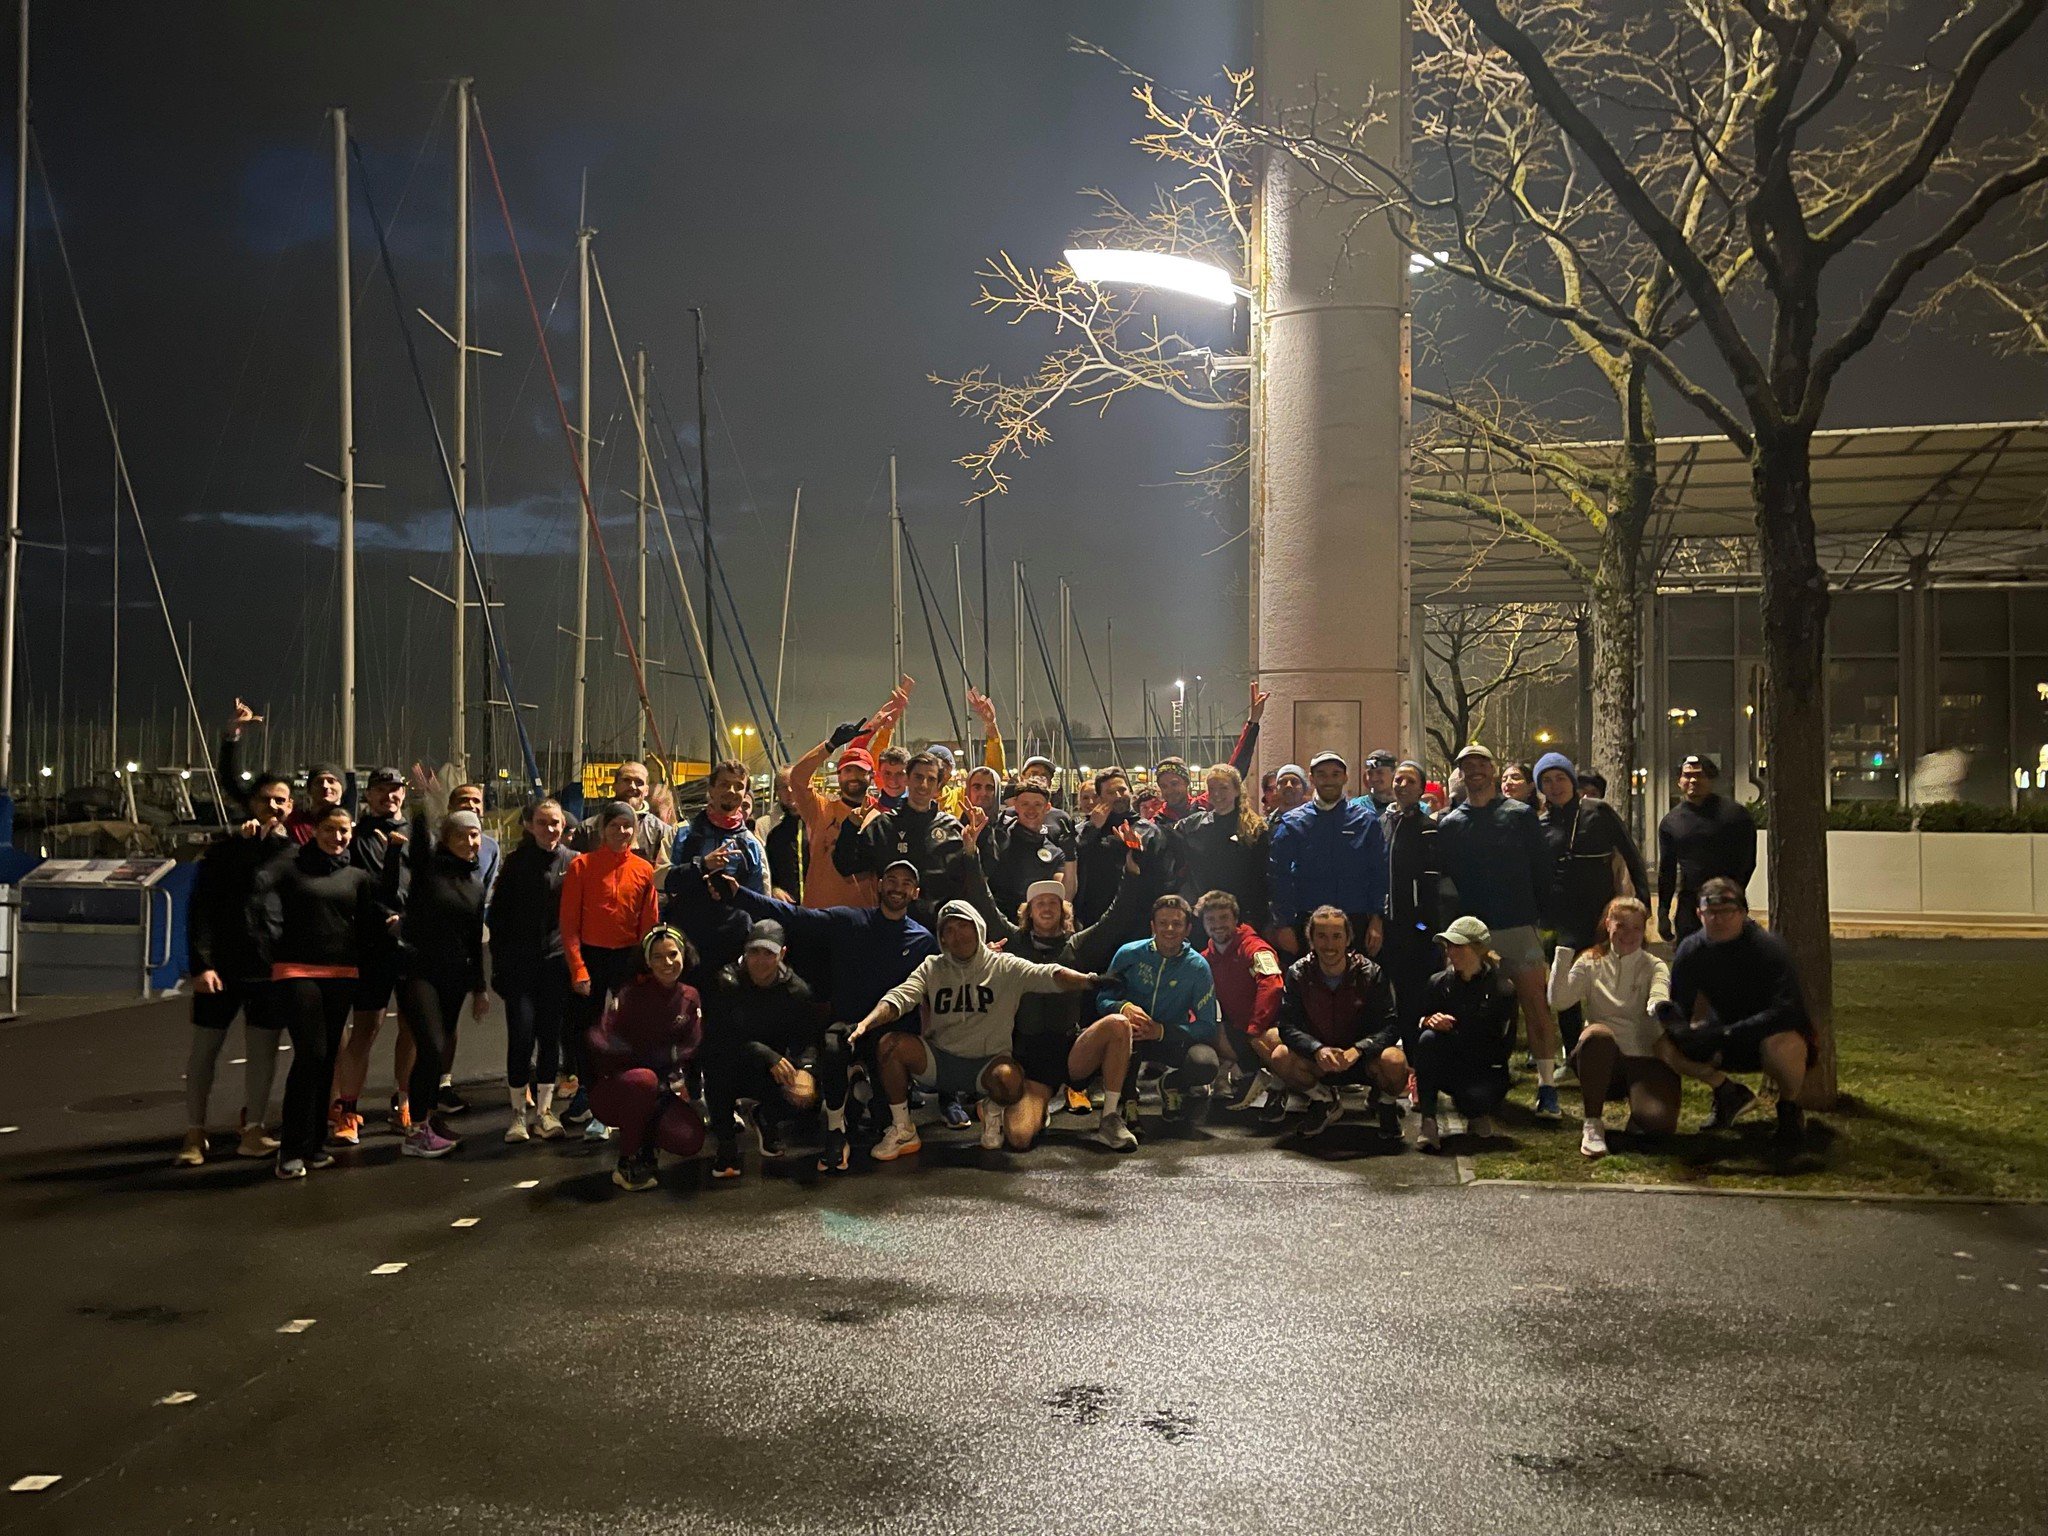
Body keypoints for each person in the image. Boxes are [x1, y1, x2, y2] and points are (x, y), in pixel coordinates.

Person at [715, 860, 937, 1173]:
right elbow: (795, 916)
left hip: (890, 1034)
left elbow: (950, 970)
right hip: (847, 1026)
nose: (897, 887)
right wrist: (740, 895)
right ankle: (835, 1131)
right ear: (879, 885)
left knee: (882, 1114)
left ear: (915, 892)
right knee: (833, 1047)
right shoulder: (850, 920)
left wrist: (986, 954)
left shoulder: (924, 940)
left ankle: (865, 1093)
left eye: (906, 883)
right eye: (891, 879)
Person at [956, 805, 1154, 1149]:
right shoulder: (1015, 943)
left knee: (1118, 1025)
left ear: (1063, 912)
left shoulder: (1076, 945)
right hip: (1029, 1057)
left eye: (1053, 903)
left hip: (1072, 1049)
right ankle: (1038, 1104)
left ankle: (1109, 1118)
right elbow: (982, 901)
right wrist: (971, 852)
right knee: (1018, 1139)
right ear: (1028, 912)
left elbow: (1117, 917)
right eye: (1039, 903)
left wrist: (1132, 871)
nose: (1047, 907)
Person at [843, 899, 1100, 1161]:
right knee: (890, 1045)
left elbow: (1049, 975)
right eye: (949, 930)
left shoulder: (1004, 966)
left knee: (1010, 1080)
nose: (958, 936)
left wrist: (1090, 980)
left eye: (963, 927)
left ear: (978, 927)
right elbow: (901, 996)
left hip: (985, 1066)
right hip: (939, 1062)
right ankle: (903, 1129)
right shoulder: (933, 967)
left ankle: (992, 1108)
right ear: (942, 938)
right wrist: (868, 1022)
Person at [251, 805, 402, 1178]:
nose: (338, 838)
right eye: (330, 830)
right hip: (297, 971)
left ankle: (315, 1145)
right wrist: (270, 945)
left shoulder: (356, 877)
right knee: (311, 1055)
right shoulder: (290, 866)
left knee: (328, 1055)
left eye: (345, 831)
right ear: (314, 831)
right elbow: (257, 894)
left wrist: (395, 853)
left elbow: (378, 911)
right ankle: (290, 1151)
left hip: (342, 973)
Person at [1435, 743, 1563, 1118]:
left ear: (1492, 770)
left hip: (1519, 925)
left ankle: (1547, 1086)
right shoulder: (1451, 823)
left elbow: (1542, 870)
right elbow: (1448, 881)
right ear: (1459, 773)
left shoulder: (1521, 815)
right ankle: (1479, 1080)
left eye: (1480, 764)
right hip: (1475, 935)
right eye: (1466, 766)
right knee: (1476, 1011)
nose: (1474, 771)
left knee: (1536, 1009)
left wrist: (1537, 916)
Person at [177, 769, 297, 1166]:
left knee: (263, 1053)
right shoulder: (225, 852)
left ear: (291, 807)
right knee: (203, 1054)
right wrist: (201, 965)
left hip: (269, 971)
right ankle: (195, 1134)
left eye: (281, 800)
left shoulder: (295, 854)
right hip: (221, 971)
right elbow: (200, 910)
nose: (273, 806)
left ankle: (255, 1130)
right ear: (251, 804)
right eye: (266, 799)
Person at [1654, 878, 1814, 1148]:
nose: (1719, 919)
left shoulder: (1768, 948)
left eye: (1727, 912)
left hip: (1769, 1035)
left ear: (1742, 913)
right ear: (1699, 913)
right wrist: (1679, 1028)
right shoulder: (1691, 949)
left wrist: (1727, 1033)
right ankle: (1728, 1093)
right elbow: (1681, 1002)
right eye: (1711, 912)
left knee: (1782, 1047)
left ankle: (1789, 1110)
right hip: (1721, 1035)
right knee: (1663, 1046)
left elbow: (1787, 1009)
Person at [1534, 750, 1650, 1054]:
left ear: (1572, 780)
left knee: (1612, 982)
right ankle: (1574, 1053)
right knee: (1565, 987)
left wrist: (1643, 901)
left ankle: (1621, 1046)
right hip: (1559, 920)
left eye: (1560, 778)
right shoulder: (1540, 824)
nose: (1555, 785)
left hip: (1601, 915)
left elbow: (1632, 855)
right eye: (1547, 780)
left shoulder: (1598, 811)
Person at [559, 802, 663, 1140]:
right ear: (603, 828)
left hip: (627, 959)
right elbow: (569, 925)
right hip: (591, 957)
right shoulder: (581, 865)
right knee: (586, 1032)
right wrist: (578, 968)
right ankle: (592, 1095)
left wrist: (646, 968)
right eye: (615, 826)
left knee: (626, 1032)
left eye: (627, 826)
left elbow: (649, 924)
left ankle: (628, 1094)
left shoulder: (644, 869)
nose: (621, 832)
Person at [1084, 895, 1222, 1147]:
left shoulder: (1198, 967)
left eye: (1177, 924)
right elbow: (1102, 1000)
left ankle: (1171, 1084)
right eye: (1163, 923)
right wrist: (1123, 1006)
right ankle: (1128, 1102)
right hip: (1133, 1037)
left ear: (1188, 929)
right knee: (1122, 1040)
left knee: (1205, 1063)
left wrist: (1162, 1031)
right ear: (1153, 926)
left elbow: (1207, 1025)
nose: (1169, 929)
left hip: (1169, 1038)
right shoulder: (1128, 954)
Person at [392, 807, 490, 1159]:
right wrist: (421, 808)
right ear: (445, 840)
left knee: (442, 1050)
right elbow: (419, 846)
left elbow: (473, 937)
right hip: (420, 973)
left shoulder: (475, 885)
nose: (469, 841)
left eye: (475, 835)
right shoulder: (428, 870)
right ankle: (416, 1131)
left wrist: (479, 988)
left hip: (455, 976)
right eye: (461, 835)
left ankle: (429, 1119)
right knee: (430, 1047)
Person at [1548, 895, 1676, 1159]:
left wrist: (1657, 1005)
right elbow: (1559, 1000)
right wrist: (1562, 956)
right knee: (1597, 1035)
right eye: (1621, 926)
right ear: (1608, 925)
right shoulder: (1590, 961)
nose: (1629, 934)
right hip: (1604, 1057)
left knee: (1657, 1124)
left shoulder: (1654, 966)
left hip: (1644, 1058)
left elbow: (1660, 991)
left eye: (1636, 928)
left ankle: (1640, 1113)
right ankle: (1593, 1123)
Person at [1267, 907, 1407, 1140]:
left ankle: (1385, 1103)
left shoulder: (1371, 973)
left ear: (1348, 939)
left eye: (1336, 936)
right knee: (1280, 1055)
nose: (1329, 945)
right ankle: (1323, 1100)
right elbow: (1287, 1025)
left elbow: (1391, 1026)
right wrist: (1316, 1049)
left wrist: (1359, 1049)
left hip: (1362, 1059)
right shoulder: (1298, 973)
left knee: (1395, 1061)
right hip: (1321, 1060)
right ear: (1310, 939)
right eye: (1321, 936)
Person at [698, 919, 823, 1178]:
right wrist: (766, 1054)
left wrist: (806, 1071)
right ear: (744, 952)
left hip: (771, 1068)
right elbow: (718, 1039)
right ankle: (726, 1143)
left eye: (769, 953)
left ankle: (766, 1116)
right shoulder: (726, 982)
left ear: (782, 954)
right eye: (754, 951)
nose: (760, 960)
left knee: (808, 1095)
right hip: (732, 1061)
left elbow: (808, 1039)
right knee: (716, 1067)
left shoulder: (796, 990)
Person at [585, 927, 706, 1191]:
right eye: (658, 957)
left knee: (690, 1139)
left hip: (659, 1089)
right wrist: (639, 1060)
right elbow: (599, 1039)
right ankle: (628, 1161)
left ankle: (647, 1146)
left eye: (673, 954)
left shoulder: (690, 997)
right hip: (618, 1089)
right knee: (644, 1080)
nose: (668, 963)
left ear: (684, 955)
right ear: (647, 962)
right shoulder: (631, 995)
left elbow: (692, 1046)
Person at [327, 766, 408, 1145]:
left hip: (412, 946)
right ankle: (348, 1109)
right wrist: (387, 917)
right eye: (381, 790)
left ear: (404, 795)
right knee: (366, 1029)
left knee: (412, 1029)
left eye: (395, 790)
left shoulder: (418, 834)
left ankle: (405, 1101)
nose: (388, 796)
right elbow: (365, 888)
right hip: (374, 946)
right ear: (369, 794)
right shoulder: (357, 837)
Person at [490, 798, 576, 1143]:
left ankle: (544, 1112)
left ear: (563, 826)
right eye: (543, 822)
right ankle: (516, 1115)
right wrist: (498, 967)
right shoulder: (515, 863)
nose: (550, 829)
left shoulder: (573, 862)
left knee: (550, 1038)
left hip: (556, 965)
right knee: (521, 1037)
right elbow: (497, 918)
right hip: (519, 966)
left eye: (555, 823)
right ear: (530, 825)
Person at [782, 681, 908, 908]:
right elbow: (797, 778)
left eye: (860, 771)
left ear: (871, 776)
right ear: (838, 775)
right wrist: (830, 745)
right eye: (847, 770)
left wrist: (886, 726)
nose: (853, 776)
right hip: (820, 914)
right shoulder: (820, 809)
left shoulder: (882, 814)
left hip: (864, 917)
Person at [1412, 916, 1519, 1152]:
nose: (1451, 952)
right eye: (1449, 946)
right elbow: (1418, 1021)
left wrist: (1458, 1031)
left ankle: (1477, 1112)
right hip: (1451, 1064)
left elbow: (1503, 1045)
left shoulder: (1502, 988)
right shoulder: (1438, 983)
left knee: (1475, 1100)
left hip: (1484, 1069)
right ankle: (1428, 1122)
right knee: (1428, 1039)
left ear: (1478, 949)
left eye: (1458, 946)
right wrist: (1429, 1022)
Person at [1267, 751, 1387, 957]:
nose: (1329, 780)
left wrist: (1377, 919)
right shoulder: (1293, 822)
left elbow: (1379, 872)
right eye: (1322, 774)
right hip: (1308, 921)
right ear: (1312, 779)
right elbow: (1278, 875)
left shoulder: (1366, 821)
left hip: (1355, 919)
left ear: (1345, 777)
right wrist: (1284, 924)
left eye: (1335, 774)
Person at [834, 750, 965, 927]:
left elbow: (966, 885)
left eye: (931, 779)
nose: (923, 785)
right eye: (918, 777)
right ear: (907, 779)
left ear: (938, 785)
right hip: (893, 930)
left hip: (940, 932)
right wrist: (850, 827)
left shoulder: (951, 828)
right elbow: (845, 866)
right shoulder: (884, 825)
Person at [665, 758, 769, 970]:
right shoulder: (681, 832)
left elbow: (762, 902)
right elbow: (660, 880)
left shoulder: (752, 844)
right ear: (711, 789)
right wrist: (701, 866)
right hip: (685, 945)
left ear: (745, 794)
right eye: (724, 784)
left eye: (739, 786)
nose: (731, 790)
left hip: (732, 947)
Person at [1199, 890, 1286, 1112]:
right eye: (1211, 920)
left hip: (1269, 1027)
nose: (1217, 925)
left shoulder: (1256, 948)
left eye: (1224, 918)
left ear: (1236, 920)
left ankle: (1299, 1089)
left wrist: (1256, 1027)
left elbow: (1272, 985)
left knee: (1272, 1044)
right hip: (1238, 1030)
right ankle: (1238, 1073)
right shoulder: (1203, 959)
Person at [1657, 754, 1758, 943]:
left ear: (1710, 779)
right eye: (1687, 776)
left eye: (1700, 775)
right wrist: (1663, 911)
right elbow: (1667, 871)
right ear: (1679, 781)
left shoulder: (1735, 816)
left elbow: (1747, 860)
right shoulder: (1671, 822)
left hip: (1727, 904)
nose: (1693, 780)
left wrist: (1733, 895)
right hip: (1689, 906)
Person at [1378, 760, 1444, 1051]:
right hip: (1384, 926)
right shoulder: (1383, 823)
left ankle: (1416, 1064)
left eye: (1410, 781)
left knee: (1412, 996)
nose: (1402, 786)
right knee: (1382, 996)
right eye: (1399, 780)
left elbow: (1431, 886)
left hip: (1414, 928)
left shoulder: (1427, 827)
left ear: (1421, 789)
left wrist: (1421, 926)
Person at [1073, 767, 1172, 942]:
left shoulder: (1147, 829)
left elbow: (1157, 870)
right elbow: (1073, 860)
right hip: (1093, 920)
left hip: (1136, 920)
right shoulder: (1085, 829)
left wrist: (1131, 848)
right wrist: (1092, 829)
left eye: (1122, 790)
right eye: (1111, 792)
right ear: (1100, 797)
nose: (1118, 796)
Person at [1173, 763, 1270, 931]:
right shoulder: (1194, 825)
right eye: (1212, 788)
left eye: (1224, 788)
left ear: (1237, 790)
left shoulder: (1255, 828)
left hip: (1242, 917)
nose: (1217, 794)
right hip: (1204, 916)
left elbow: (1261, 878)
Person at [985, 776, 1077, 914]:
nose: (1031, 810)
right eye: (1025, 804)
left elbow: (1066, 896)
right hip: (998, 919)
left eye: (1037, 804)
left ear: (1047, 808)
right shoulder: (999, 838)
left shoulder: (1055, 852)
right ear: (1015, 806)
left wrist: (1071, 857)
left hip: (1036, 924)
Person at [573, 759, 673, 867]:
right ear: (614, 786)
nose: (632, 786)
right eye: (626, 780)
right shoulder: (588, 828)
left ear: (646, 790)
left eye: (639, 782)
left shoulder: (663, 832)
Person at [284, 763, 346, 844]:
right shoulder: (294, 825)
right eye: (319, 782)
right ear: (309, 790)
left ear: (342, 788)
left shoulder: (352, 828)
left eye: (331, 781)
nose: (325, 786)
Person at [871, 745, 912, 811]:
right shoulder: (869, 811)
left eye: (900, 774)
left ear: (909, 775)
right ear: (879, 774)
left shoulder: (921, 809)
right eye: (887, 773)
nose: (893, 780)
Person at [1358, 749, 1398, 814]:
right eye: (1370, 773)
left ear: (1395, 773)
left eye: (1380, 772)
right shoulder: (1356, 808)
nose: (1374, 778)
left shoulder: (1410, 807)